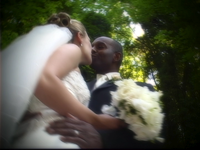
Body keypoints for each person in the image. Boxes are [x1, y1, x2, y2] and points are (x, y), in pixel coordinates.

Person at [1, 13, 124, 149]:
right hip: (52, 138)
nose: (92, 49)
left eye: (99, 47)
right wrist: (97, 120)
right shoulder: (73, 49)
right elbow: (45, 79)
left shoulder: (53, 62)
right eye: (91, 42)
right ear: (80, 38)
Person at [46, 36, 165, 148]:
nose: (92, 50)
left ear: (116, 57)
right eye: (91, 46)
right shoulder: (77, 86)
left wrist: (104, 142)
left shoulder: (142, 89)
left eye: (100, 47)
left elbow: (152, 137)